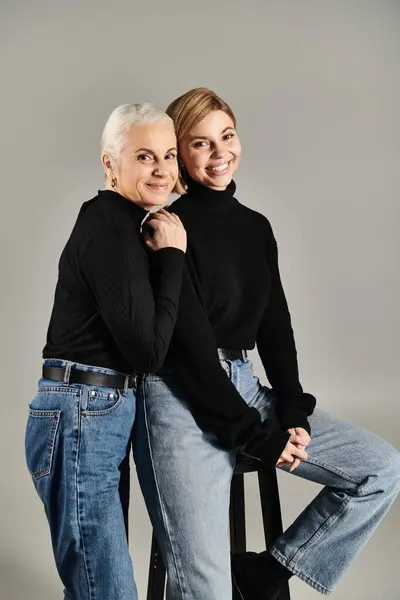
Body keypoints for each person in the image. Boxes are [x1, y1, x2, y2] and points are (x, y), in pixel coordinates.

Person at [133, 88, 400, 600]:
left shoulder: (256, 228)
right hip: (179, 402)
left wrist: (293, 413)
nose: (219, 154)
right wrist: (258, 437)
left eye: (227, 137)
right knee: (203, 590)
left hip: (244, 387)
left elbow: (275, 326)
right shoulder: (167, 229)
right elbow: (185, 353)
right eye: (200, 144)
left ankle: (268, 572)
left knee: (381, 469)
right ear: (180, 155)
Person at [24, 103, 187, 600]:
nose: (161, 169)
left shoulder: (126, 223)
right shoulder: (112, 228)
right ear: (110, 165)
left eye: (169, 155)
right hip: (82, 411)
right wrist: (175, 258)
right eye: (144, 156)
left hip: (96, 410)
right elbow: (148, 352)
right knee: (105, 589)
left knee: (99, 584)